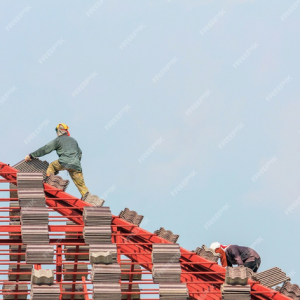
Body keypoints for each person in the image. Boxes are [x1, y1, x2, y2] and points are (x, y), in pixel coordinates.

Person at [25, 123, 89, 198]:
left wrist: (31, 155)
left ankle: (48, 182)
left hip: (63, 162)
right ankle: (88, 198)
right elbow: (80, 153)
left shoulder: (58, 140)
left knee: (52, 166)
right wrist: (74, 162)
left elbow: (45, 149)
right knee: (81, 185)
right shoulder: (73, 140)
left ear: (59, 131)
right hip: (76, 165)